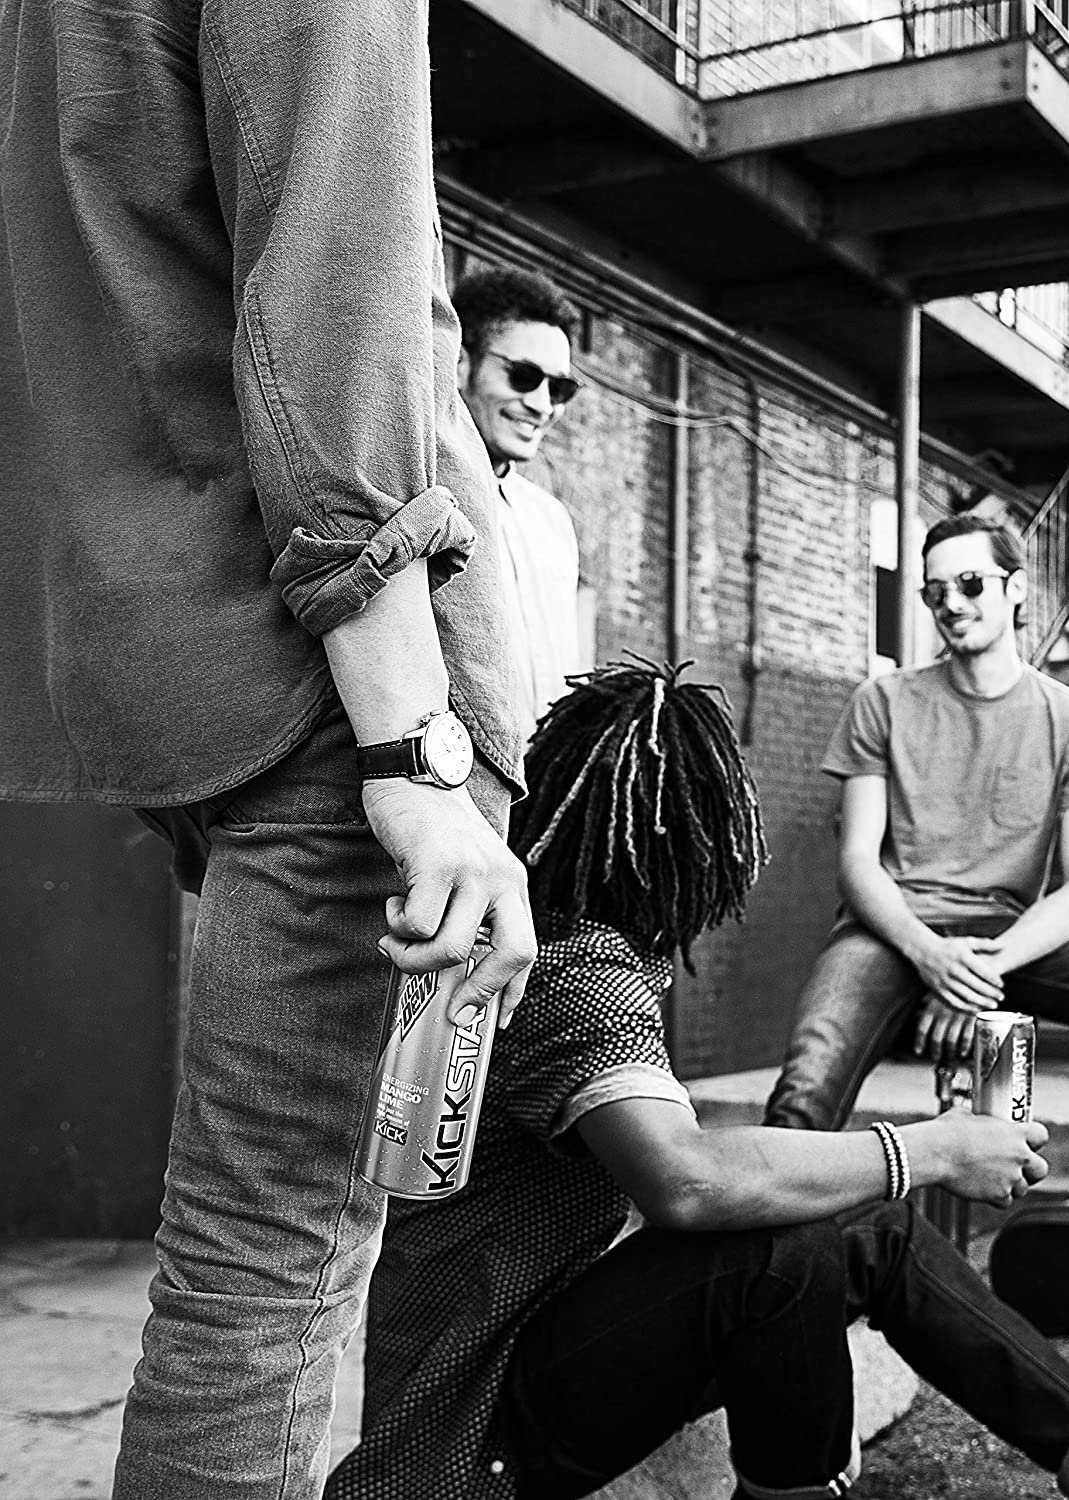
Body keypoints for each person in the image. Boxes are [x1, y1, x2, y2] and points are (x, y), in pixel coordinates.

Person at [0, 6, 536, 1498]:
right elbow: (337, 299)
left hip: (176, 655)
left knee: (247, 1266)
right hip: (337, 691)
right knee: (264, 1278)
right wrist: (419, 751)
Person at [328, 660, 1069, 1500]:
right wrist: (933, 1149)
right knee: (781, 1252)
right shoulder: (580, 973)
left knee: (872, 1227)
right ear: (693, 846)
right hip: (472, 1428)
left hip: (525, 1357)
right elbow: (687, 1180)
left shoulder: (552, 943)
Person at [764, 514, 1069, 1208]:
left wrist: (976, 974)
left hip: (1011, 940)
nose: (952, 602)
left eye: (971, 583)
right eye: (935, 590)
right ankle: (764, 1245)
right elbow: (857, 863)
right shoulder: (882, 701)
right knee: (805, 1086)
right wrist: (930, 956)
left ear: (1016, 588)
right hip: (891, 932)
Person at [454, 265, 585, 730]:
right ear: (459, 363)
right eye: (523, 376)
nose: (543, 405)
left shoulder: (553, 521)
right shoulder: (418, 496)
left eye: (561, 388)